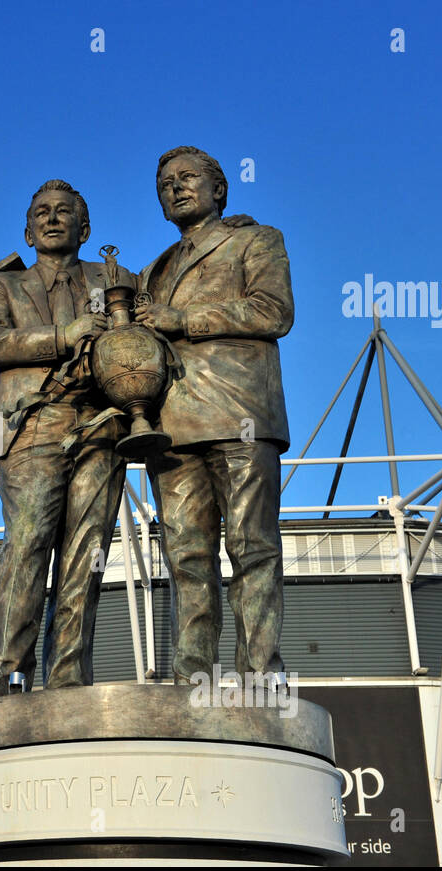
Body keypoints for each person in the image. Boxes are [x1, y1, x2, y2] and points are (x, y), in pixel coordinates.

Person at [0, 180, 133, 702]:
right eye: (41, 213)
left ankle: (68, 681)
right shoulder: (2, 285)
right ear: (27, 229)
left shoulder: (118, 279)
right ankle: (4, 680)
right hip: (32, 424)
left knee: (88, 554)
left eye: (63, 212)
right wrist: (66, 336)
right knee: (28, 546)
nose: (51, 219)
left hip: (102, 425)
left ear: (85, 228)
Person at [132, 146, 293, 684]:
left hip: (240, 413)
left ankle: (262, 678)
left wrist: (181, 318)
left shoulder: (255, 239)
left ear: (219, 190)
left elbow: (273, 311)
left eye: (187, 178)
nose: (175, 188)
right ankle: (191, 680)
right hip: (172, 428)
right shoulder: (149, 271)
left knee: (251, 548)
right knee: (187, 559)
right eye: (164, 184)